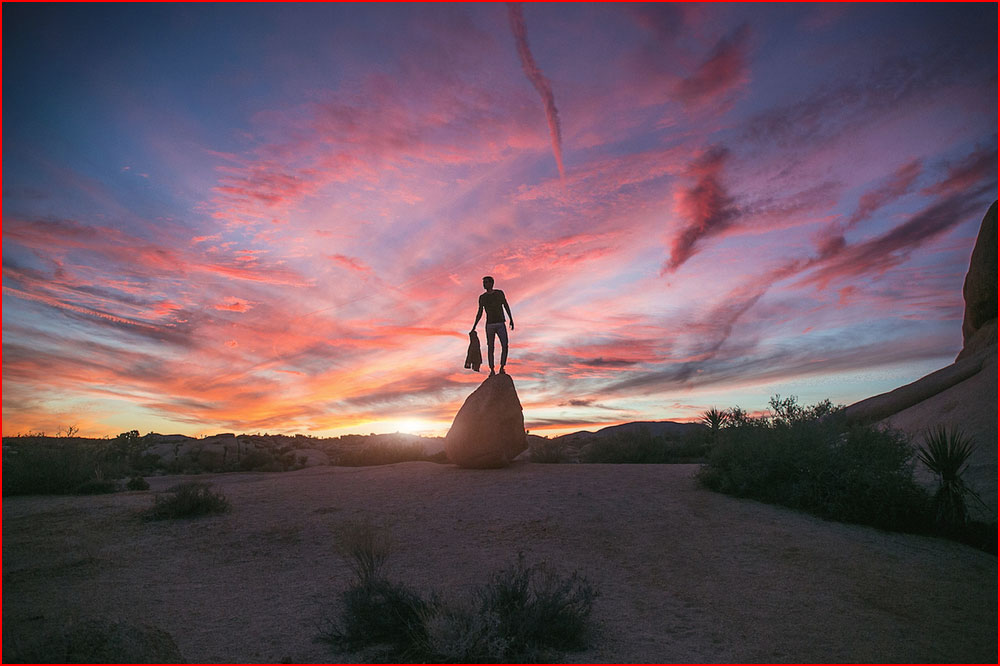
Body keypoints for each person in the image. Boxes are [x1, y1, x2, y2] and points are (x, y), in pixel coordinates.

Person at [471, 276, 514, 375]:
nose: (484, 284)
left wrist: (511, 319)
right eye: (484, 283)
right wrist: (474, 326)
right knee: (490, 347)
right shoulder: (482, 297)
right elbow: (480, 312)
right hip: (489, 325)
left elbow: (506, 305)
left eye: (486, 282)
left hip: (500, 323)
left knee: (505, 345)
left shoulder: (499, 293)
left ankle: (502, 367)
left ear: (491, 283)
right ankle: (492, 370)